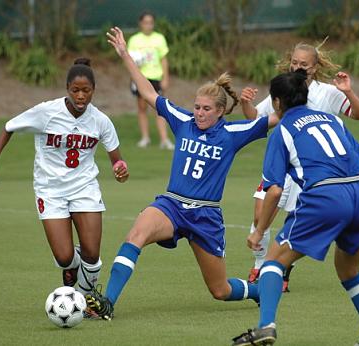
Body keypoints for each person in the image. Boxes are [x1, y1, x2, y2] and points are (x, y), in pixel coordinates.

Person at [84, 27, 278, 321]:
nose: (199, 113)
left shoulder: (233, 133)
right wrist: (125, 54)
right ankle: (107, 303)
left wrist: (302, 97)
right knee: (136, 233)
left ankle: (260, 291)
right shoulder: (183, 121)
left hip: (206, 216)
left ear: (221, 112)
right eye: (197, 107)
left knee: (220, 290)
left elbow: (278, 118)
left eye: (206, 109)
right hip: (171, 205)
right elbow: (149, 92)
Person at [231, 70, 359, 346]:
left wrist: (259, 232)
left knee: (273, 261)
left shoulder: (283, 130)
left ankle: (266, 325)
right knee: (349, 272)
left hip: (327, 196)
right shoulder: (332, 120)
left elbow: (275, 190)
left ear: (277, 102)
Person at [0, 58, 129, 315]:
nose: (81, 96)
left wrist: (120, 170)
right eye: (75, 90)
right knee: (64, 258)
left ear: (94, 89)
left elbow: (117, 160)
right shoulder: (46, 112)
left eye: (86, 90)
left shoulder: (101, 121)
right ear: (67, 89)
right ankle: (76, 271)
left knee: (92, 254)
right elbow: (8, 128)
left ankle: (84, 301)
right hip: (50, 190)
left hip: (84, 188)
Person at [241, 40, 359, 291]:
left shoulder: (327, 92)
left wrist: (348, 91)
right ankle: (260, 266)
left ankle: (279, 268)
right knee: (260, 213)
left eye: (304, 64)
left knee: (295, 219)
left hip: (312, 171)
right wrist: (246, 104)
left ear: (315, 66)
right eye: (295, 62)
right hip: (283, 164)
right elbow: (258, 118)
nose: (298, 67)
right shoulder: (284, 88)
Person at [127, 11, 174, 150]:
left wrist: (165, 78)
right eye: (145, 22)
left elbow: (164, 59)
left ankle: (164, 140)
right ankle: (145, 138)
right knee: (142, 108)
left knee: (160, 108)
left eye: (150, 22)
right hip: (141, 78)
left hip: (156, 77)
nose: (148, 25)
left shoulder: (159, 38)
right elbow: (130, 61)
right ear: (140, 23)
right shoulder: (134, 40)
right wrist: (133, 77)